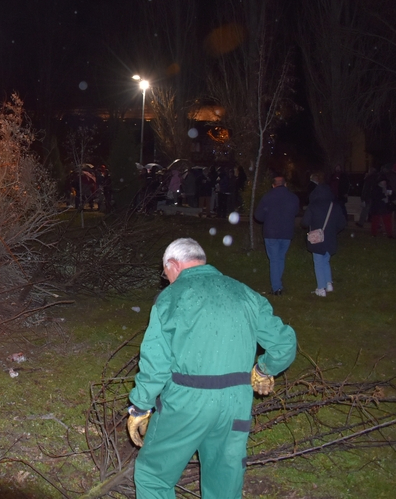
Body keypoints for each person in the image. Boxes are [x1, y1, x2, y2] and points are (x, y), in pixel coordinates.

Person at [126, 238, 297, 499]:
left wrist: (140, 406)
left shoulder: (171, 298)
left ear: (173, 264)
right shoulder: (246, 293)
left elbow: (155, 363)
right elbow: (284, 343)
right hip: (236, 403)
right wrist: (264, 370)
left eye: (165, 273)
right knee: (224, 485)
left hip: (187, 401)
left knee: (153, 476)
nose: (167, 279)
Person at [254, 174, 300, 295]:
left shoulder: (267, 197)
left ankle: (276, 288)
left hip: (271, 232)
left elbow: (258, 216)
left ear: (273, 185)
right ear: (285, 184)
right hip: (286, 232)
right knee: (280, 258)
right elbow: (296, 212)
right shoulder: (293, 198)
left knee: (274, 260)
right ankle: (278, 284)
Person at [302, 181, 347, 296]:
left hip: (317, 239)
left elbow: (305, 222)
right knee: (326, 261)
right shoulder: (335, 206)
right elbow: (342, 223)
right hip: (330, 238)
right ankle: (329, 284)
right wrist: (332, 230)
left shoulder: (313, 205)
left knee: (318, 262)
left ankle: (321, 288)